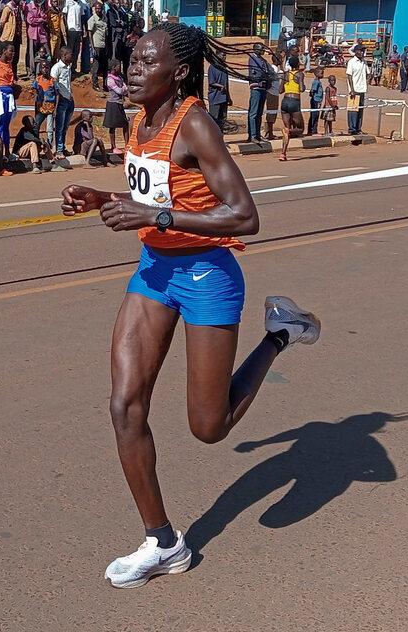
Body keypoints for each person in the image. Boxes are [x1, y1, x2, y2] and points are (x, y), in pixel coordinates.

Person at [60, 21, 320, 590]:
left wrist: (156, 218)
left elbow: (245, 215)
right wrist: (104, 199)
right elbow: (159, 196)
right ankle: (163, 542)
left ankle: (279, 333)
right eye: (131, 58)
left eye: (145, 61)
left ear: (177, 73)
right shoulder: (140, 120)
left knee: (209, 427)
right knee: (125, 405)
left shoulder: (194, 123)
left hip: (207, 275)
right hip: (155, 270)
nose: (132, 69)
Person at [51, 46, 74, 156]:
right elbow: (53, 85)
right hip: (61, 101)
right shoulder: (56, 68)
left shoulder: (68, 67)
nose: (72, 56)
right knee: (59, 127)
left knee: (65, 127)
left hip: (69, 100)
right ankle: (59, 150)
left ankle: (62, 147)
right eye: (70, 54)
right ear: (64, 55)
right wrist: (60, 97)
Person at [278, 61, 304, 161]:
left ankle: (283, 153)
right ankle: (289, 131)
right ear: (297, 65)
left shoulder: (285, 74)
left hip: (285, 101)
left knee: (286, 129)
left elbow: (280, 91)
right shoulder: (299, 74)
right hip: (294, 101)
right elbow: (301, 89)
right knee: (300, 129)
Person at [246, 42, 270, 143]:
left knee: (259, 113)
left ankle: (258, 135)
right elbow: (259, 72)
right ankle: (252, 135)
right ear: (256, 50)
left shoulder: (263, 60)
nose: (263, 50)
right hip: (256, 88)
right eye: (261, 49)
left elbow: (268, 70)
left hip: (263, 87)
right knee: (253, 113)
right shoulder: (253, 59)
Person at [104, 60, 129, 153]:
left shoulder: (119, 77)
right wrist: (124, 89)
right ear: (114, 67)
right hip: (112, 104)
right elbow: (119, 90)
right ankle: (113, 146)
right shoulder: (109, 79)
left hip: (119, 103)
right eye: (119, 66)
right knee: (112, 126)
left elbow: (125, 89)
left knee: (125, 125)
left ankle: (127, 144)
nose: (120, 68)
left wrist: (123, 89)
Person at [34, 60, 57, 148]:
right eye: (43, 68)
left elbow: (57, 94)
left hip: (51, 109)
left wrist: (56, 108)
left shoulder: (53, 80)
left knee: (49, 129)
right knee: (36, 127)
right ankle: (37, 145)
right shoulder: (37, 80)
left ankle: (49, 148)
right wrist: (36, 107)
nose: (45, 70)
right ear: (40, 69)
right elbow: (36, 93)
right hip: (40, 108)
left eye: (46, 67)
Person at [345, 44, 368, 135]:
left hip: (362, 89)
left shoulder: (364, 62)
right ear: (356, 52)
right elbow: (349, 76)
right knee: (353, 111)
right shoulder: (351, 62)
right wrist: (352, 89)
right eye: (360, 51)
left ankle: (358, 128)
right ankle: (352, 128)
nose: (362, 53)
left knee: (360, 110)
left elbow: (367, 73)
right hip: (354, 90)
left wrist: (369, 77)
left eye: (363, 51)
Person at [207, 50, 230, 132]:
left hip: (224, 98)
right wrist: (221, 86)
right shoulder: (212, 67)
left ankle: (221, 139)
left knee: (223, 120)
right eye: (223, 55)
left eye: (225, 55)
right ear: (217, 55)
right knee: (214, 119)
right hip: (215, 98)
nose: (225, 57)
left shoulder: (224, 67)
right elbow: (211, 82)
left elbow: (226, 84)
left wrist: (229, 98)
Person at [25, 0, 49, 79]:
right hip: (33, 33)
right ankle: (31, 72)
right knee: (31, 53)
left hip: (41, 33)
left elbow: (45, 18)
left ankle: (44, 71)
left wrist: (41, 12)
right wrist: (40, 19)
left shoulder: (40, 7)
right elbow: (30, 20)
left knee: (46, 51)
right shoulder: (28, 7)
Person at [88, 1, 108, 91]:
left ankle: (105, 84)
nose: (98, 10)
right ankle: (95, 84)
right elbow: (89, 33)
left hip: (104, 45)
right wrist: (92, 48)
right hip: (96, 45)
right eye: (96, 9)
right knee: (96, 65)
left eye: (99, 8)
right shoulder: (93, 19)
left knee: (104, 66)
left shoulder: (104, 18)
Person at [62, 0, 87, 74]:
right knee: (69, 50)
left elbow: (82, 17)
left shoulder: (80, 3)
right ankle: (67, 68)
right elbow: (64, 15)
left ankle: (74, 68)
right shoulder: (68, 2)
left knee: (76, 50)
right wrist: (66, 28)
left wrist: (83, 29)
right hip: (70, 29)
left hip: (78, 30)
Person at [263, 53, 282, 141]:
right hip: (272, 92)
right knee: (271, 112)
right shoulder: (274, 69)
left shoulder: (275, 68)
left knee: (272, 112)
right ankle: (268, 133)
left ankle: (269, 132)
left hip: (274, 92)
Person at [306, 66, 323, 136]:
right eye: (322, 73)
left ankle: (312, 130)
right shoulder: (316, 82)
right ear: (317, 74)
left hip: (317, 100)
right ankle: (313, 131)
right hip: (315, 100)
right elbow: (312, 91)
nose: (323, 75)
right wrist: (313, 98)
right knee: (314, 115)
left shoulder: (318, 81)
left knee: (315, 115)